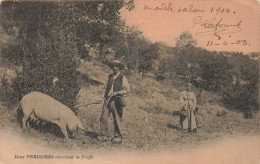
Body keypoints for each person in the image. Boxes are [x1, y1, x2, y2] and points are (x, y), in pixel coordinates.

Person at [97, 60, 130, 143]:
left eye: (116, 66)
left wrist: (117, 93)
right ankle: (105, 135)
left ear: (119, 68)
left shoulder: (123, 77)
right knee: (104, 117)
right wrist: (101, 98)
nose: (114, 68)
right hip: (107, 100)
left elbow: (127, 90)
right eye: (113, 66)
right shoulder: (109, 77)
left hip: (116, 101)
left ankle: (118, 137)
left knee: (117, 118)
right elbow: (105, 88)